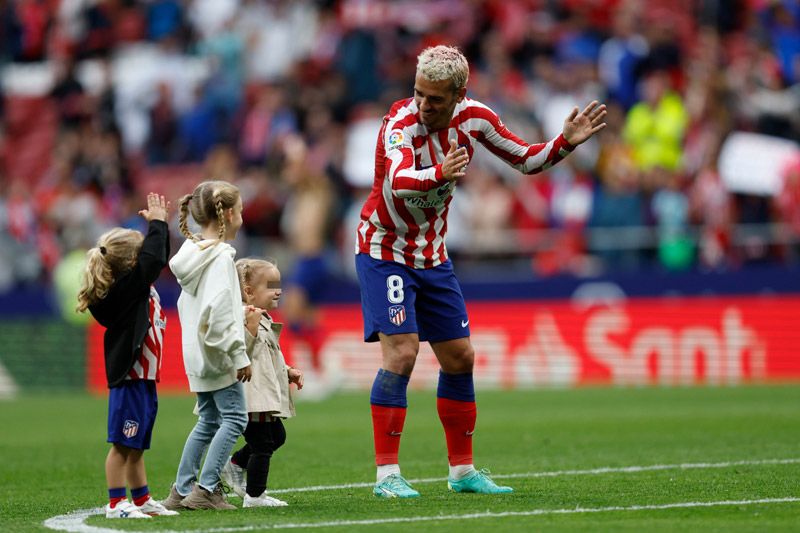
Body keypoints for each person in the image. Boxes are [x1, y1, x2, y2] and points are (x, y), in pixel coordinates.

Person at [355, 45, 607, 498]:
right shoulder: (398, 123)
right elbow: (397, 180)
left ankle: (462, 472)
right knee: (402, 354)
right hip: (384, 249)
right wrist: (438, 172)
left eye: (435, 99)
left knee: (460, 358)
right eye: (418, 94)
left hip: (432, 255)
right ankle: (387, 476)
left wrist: (565, 141)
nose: (423, 105)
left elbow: (527, 160)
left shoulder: (476, 118)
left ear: (459, 94)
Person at [76, 192, 178, 518]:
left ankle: (141, 498)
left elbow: (153, 259)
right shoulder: (125, 292)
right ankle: (116, 503)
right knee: (122, 444)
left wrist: (157, 231)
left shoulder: (136, 286)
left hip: (145, 379)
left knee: (136, 446)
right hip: (131, 378)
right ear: (131, 263)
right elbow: (153, 260)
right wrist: (159, 222)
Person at [162, 180, 252, 511]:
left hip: (196, 353)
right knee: (235, 419)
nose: (242, 215)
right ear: (228, 214)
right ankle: (207, 488)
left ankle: (181, 490)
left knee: (209, 421)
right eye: (240, 210)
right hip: (217, 355)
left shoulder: (192, 255)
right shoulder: (220, 260)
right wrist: (239, 355)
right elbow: (221, 314)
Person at [219, 258, 304, 507]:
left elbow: (266, 355)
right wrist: (250, 330)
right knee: (263, 444)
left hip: (263, 393)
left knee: (276, 436)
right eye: (270, 284)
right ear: (248, 291)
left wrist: (287, 371)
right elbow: (237, 353)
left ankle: (235, 464)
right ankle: (255, 496)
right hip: (252, 395)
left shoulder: (261, 316)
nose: (278, 290)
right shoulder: (242, 316)